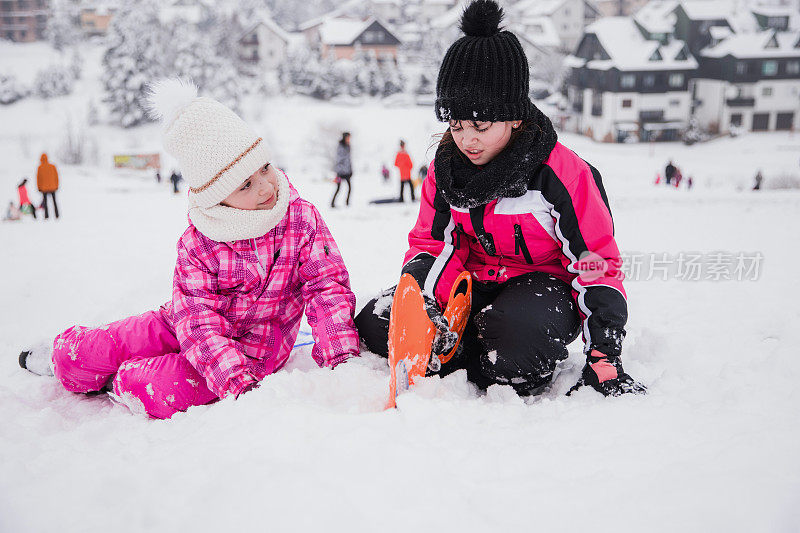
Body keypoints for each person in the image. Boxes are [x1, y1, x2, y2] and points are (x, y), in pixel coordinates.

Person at [18, 79, 360, 419]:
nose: (265, 187)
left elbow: (327, 287)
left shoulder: (300, 218)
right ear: (216, 198)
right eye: (245, 184)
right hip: (185, 325)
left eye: (265, 168)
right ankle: (60, 357)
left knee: (154, 385)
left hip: (252, 352)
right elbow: (196, 319)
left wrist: (340, 359)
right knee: (97, 349)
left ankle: (113, 382)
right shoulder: (199, 243)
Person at [355, 0, 645, 398]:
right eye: (456, 125)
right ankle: (461, 341)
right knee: (375, 322)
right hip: (472, 284)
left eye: (480, 125)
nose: (467, 140)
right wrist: (420, 300)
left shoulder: (559, 173)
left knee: (513, 350)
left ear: (515, 116)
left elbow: (596, 262)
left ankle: (479, 349)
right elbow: (431, 244)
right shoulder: (446, 171)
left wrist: (604, 353)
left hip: (541, 286)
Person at [331, 132, 352, 207]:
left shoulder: (348, 146)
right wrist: (339, 172)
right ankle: (332, 203)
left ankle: (347, 203)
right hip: (340, 172)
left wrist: (350, 170)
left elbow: (349, 160)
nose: (349, 139)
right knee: (338, 188)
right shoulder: (340, 147)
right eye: (348, 137)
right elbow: (340, 160)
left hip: (347, 172)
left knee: (350, 187)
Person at [36, 153, 60, 219]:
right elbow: (56, 177)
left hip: (44, 188)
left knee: (45, 203)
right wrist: (56, 185)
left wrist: (39, 187)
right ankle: (57, 215)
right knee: (54, 202)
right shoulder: (52, 166)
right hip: (53, 187)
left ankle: (46, 216)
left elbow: (38, 179)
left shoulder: (40, 167)